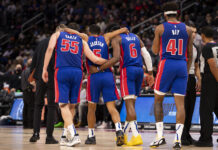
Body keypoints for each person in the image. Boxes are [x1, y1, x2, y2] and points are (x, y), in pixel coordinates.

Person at [42, 23, 107, 147]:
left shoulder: (57, 34)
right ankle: (65, 136)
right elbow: (95, 59)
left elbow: (50, 49)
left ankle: (73, 134)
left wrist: (44, 69)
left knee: (62, 105)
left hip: (62, 70)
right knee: (71, 106)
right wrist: (112, 61)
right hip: (78, 72)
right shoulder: (81, 40)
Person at [91, 23, 154, 146]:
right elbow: (146, 54)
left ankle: (136, 135)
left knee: (129, 105)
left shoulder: (117, 38)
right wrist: (150, 73)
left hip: (128, 71)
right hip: (140, 71)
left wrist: (100, 68)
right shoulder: (136, 37)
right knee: (131, 104)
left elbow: (115, 58)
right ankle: (124, 135)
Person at [150, 2, 193, 149]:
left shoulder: (160, 28)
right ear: (178, 13)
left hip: (167, 64)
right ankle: (177, 140)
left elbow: (155, 51)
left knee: (158, 100)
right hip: (182, 64)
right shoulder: (188, 29)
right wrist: (185, 71)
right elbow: (191, 54)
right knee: (180, 104)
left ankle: (160, 136)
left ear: (164, 14)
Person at [85, 24, 128, 146]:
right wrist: (125, 30)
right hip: (107, 75)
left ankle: (91, 136)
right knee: (111, 107)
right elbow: (121, 30)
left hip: (94, 75)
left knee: (91, 108)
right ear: (100, 32)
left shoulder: (87, 39)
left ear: (89, 32)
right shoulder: (106, 37)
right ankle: (119, 130)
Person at [194, 26, 218, 147]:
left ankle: (206, 139)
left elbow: (212, 65)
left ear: (203, 35)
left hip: (211, 80)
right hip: (215, 80)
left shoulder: (207, 47)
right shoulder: (217, 46)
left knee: (206, 111)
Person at [181, 25, 201, 146]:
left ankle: (186, 134)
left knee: (190, 108)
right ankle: (182, 135)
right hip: (183, 78)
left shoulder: (196, 47)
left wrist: (199, 79)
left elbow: (197, 66)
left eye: (195, 32)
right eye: (192, 32)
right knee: (183, 108)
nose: (194, 34)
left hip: (192, 78)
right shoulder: (182, 47)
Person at [21, 58, 35, 129]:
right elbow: (30, 81)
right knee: (31, 108)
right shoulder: (31, 71)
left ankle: (25, 124)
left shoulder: (23, 71)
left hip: (24, 91)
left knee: (25, 107)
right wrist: (33, 87)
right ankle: (30, 124)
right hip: (30, 91)